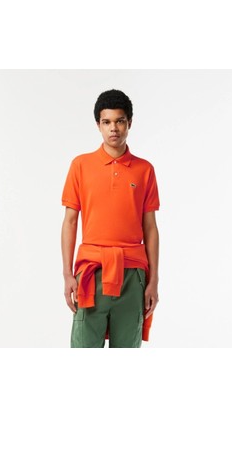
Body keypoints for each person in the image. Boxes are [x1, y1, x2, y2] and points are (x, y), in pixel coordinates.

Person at [61, 89, 160, 348]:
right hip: (90, 273)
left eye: (120, 121)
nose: (113, 128)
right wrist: (67, 274)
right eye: (106, 122)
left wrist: (153, 280)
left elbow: (150, 228)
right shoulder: (80, 166)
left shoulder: (145, 170)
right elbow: (70, 221)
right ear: (98, 125)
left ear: (129, 123)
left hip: (132, 274)